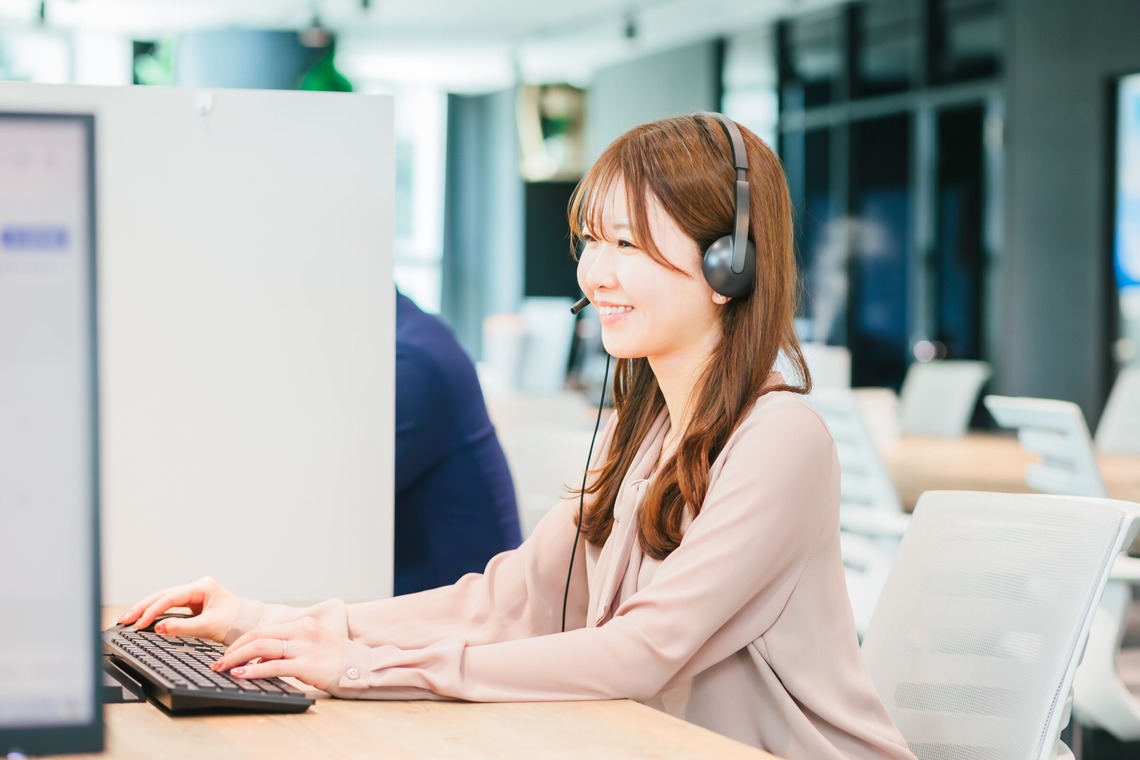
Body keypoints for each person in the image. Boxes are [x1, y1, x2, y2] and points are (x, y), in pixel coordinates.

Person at [120, 114, 915, 759]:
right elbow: (512, 600)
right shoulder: (647, 435)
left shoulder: (781, 440)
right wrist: (271, 622)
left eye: (627, 245)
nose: (593, 274)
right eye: (591, 242)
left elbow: (642, 652)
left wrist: (365, 669)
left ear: (727, 264)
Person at [393, 290, 522, 595]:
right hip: (444, 590)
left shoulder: (412, 359)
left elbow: (343, 496)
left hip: (463, 601)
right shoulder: (411, 330)